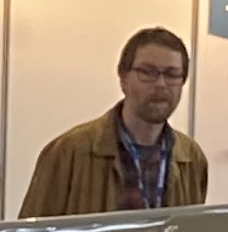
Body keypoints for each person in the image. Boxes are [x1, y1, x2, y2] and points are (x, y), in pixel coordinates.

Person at [20, 29, 206, 217]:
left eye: (172, 74)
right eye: (147, 72)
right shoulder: (68, 153)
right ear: (123, 78)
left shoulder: (192, 158)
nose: (161, 84)